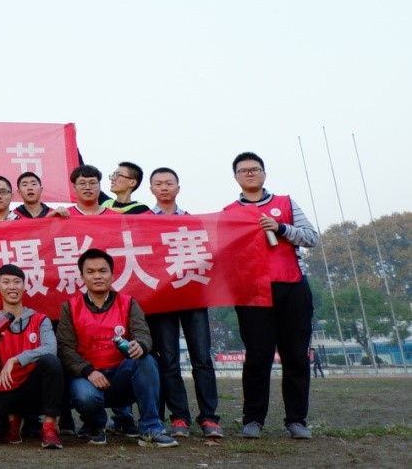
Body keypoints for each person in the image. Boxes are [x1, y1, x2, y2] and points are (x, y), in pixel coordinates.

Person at [225, 152, 318, 440]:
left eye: (255, 169)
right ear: (236, 177)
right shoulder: (229, 213)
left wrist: (281, 228)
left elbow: (311, 237)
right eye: (243, 170)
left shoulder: (286, 203)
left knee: (296, 357)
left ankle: (296, 420)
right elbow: (224, 253)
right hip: (252, 293)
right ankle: (253, 419)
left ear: (264, 173)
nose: (249, 174)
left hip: (292, 287)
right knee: (257, 357)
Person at [56, 248, 176, 447]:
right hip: (89, 378)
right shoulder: (70, 307)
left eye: (102, 271)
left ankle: (150, 429)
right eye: (90, 272)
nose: (97, 276)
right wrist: (88, 371)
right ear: (82, 277)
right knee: (84, 395)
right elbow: (65, 348)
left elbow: (142, 333)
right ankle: (96, 425)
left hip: (122, 377)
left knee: (146, 360)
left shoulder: (128, 302)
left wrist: (141, 345)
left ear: (112, 274)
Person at [146, 167, 223, 439]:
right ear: (151, 190)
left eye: (169, 183)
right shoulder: (143, 222)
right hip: (162, 299)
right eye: (158, 183)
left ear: (178, 188)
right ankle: (179, 417)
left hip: (193, 296)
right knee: (168, 361)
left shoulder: (193, 221)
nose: (164, 187)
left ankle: (209, 417)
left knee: (202, 358)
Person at [0, 265, 64, 448]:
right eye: (6, 282)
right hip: (3, 389)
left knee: (51, 362)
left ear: (24, 286)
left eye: (17, 282)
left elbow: (51, 350)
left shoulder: (40, 319)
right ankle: (13, 419)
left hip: (33, 388)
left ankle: (49, 426)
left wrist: (16, 359)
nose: (12, 286)